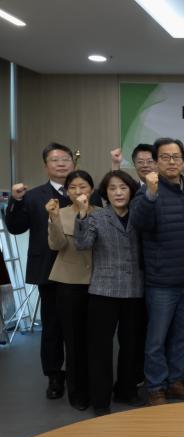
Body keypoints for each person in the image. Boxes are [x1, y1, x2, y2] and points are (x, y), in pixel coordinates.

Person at [4, 142, 96, 400]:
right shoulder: (33, 196)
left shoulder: (87, 193)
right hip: (48, 270)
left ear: (73, 163)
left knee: (82, 327)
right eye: (55, 160)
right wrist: (15, 201)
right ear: (46, 166)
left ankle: (82, 373)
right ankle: (55, 376)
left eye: (65, 159)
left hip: (83, 272)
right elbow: (16, 227)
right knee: (53, 327)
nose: (61, 163)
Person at [130, 137, 184, 407]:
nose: (171, 162)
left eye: (176, 157)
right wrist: (151, 195)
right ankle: (155, 387)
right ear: (156, 162)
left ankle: (176, 381)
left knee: (183, 336)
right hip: (160, 280)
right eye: (165, 157)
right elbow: (139, 223)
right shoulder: (146, 193)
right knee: (157, 339)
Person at [74, 170, 146, 416]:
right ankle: (101, 400)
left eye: (123, 188)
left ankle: (126, 390)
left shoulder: (140, 216)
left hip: (135, 289)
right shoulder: (96, 216)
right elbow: (82, 244)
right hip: (103, 291)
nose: (118, 193)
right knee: (100, 348)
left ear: (132, 191)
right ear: (105, 193)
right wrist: (82, 215)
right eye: (112, 188)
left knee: (131, 346)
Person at [47, 170, 97, 411]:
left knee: (96, 340)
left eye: (83, 186)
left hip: (98, 283)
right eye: (73, 187)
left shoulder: (101, 213)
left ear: (92, 190)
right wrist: (54, 218)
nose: (79, 191)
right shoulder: (59, 213)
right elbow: (56, 245)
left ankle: (97, 386)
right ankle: (77, 392)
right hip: (68, 284)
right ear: (67, 192)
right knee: (74, 341)